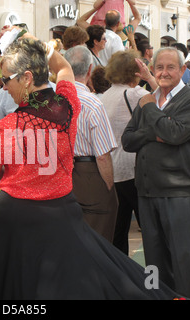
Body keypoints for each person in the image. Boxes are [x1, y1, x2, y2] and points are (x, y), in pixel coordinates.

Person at [0, 28, 183, 300]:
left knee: (2, 283)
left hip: (14, 215)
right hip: (60, 209)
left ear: (27, 78)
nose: (4, 86)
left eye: (6, 80)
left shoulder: (9, 125)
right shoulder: (67, 104)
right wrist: (46, 50)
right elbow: (64, 67)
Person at [122, 47, 190, 299]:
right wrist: (154, 133)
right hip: (147, 192)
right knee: (153, 258)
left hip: (180, 192)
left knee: (183, 257)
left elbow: (175, 134)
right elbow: (127, 140)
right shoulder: (150, 99)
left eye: (170, 67)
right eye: (160, 67)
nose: (164, 72)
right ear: (153, 69)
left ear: (182, 70)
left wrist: (150, 111)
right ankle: (155, 295)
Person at [64, 45, 118, 242]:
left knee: (68, 236)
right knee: (98, 235)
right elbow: (102, 155)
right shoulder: (93, 103)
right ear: (89, 70)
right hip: (89, 173)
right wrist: (109, 188)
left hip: (59, 174)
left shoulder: (53, 101)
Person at [100, 50, 148, 255]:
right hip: (134, 169)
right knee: (149, 228)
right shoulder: (135, 94)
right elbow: (165, 104)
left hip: (112, 170)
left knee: (118, 232)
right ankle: (153, 279)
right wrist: (150, 78)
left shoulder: (104, 96)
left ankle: (121, 278)